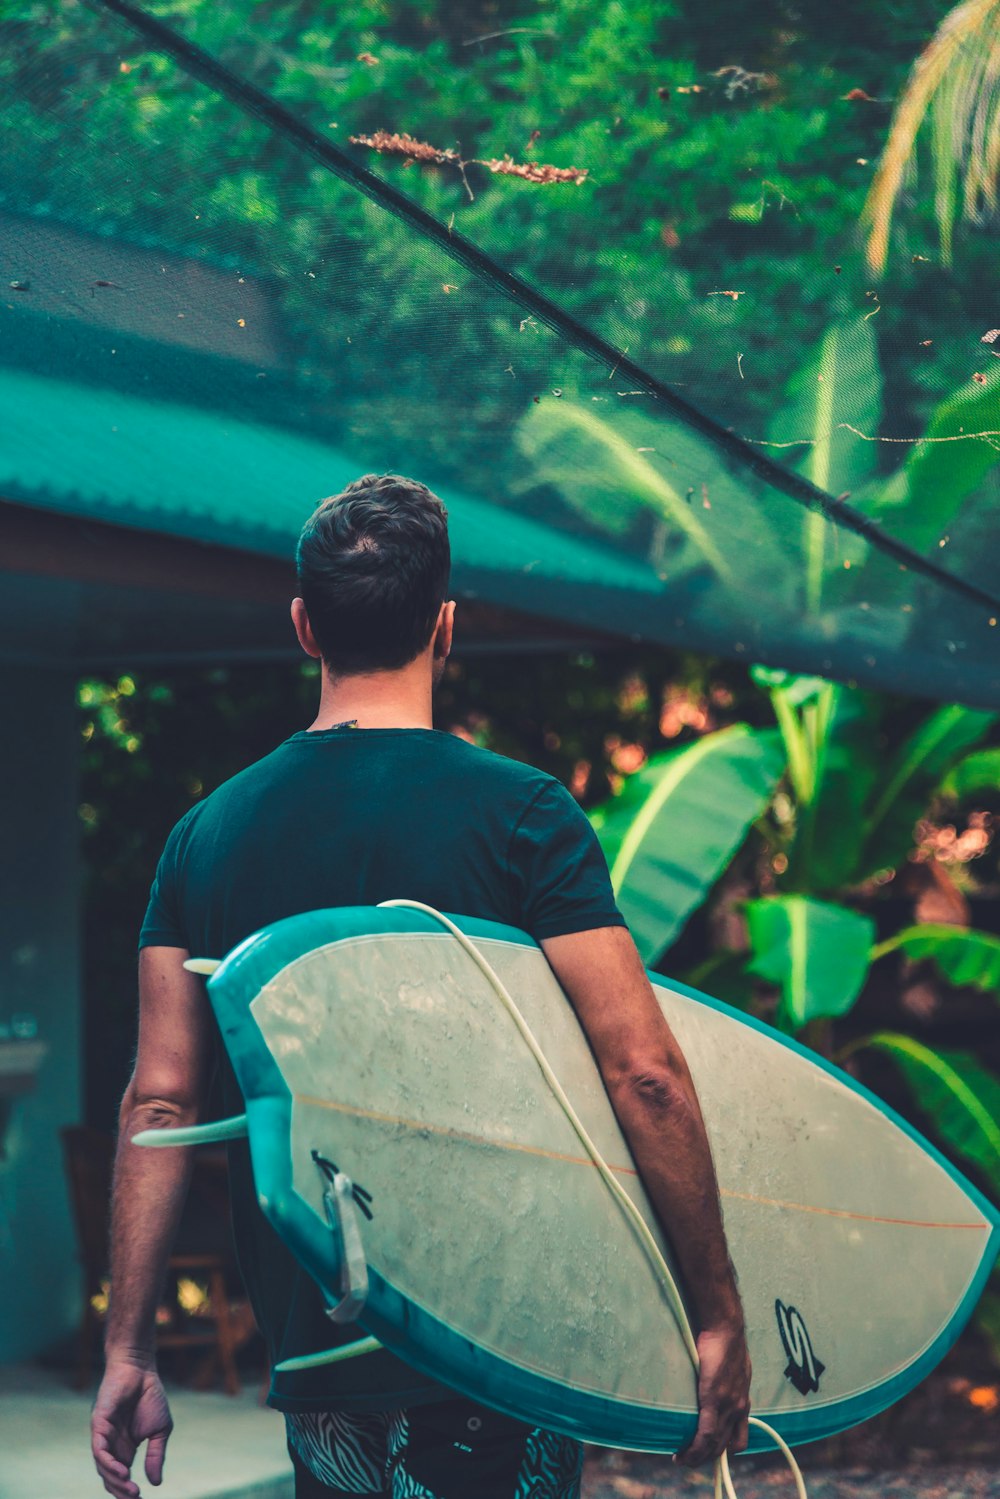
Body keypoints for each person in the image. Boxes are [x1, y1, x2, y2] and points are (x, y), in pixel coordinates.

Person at [91, 473, 751, 1499]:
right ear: (446, 625)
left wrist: (127, 1346)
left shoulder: (206, 835)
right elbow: (644, 1071)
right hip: (497, 1337)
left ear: (305, 624)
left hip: (319, 1339)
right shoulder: (522, 814)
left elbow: (162, 1098)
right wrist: (717, 1312)